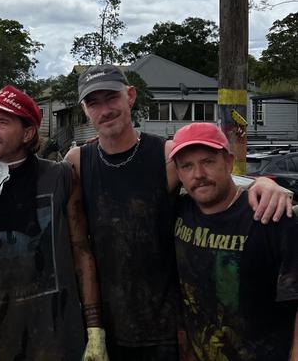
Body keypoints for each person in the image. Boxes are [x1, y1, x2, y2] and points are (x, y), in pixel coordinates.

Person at [65, 64, 294, 360]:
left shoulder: (168, 155)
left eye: (111, 98)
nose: (105, 110)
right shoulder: (78, 162)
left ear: (130, 96)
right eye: (93, 103)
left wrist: (265, 182)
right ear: (84, 109)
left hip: (169, 326)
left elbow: (216, 178)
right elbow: (79, 245)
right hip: (110, 321)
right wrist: (93, 327)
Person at [0, 85, 106, 361]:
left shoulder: (60, 178)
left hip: (55, 341)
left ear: (28, 134)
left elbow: (81, 251)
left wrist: (95, 328)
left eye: (3, 122)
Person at [169, 122, 298, 361]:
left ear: (228, 162)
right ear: (178, 174)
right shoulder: (178, 211)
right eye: (187, 166)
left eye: (208, 161)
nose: (198, 174)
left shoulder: (269, 215)